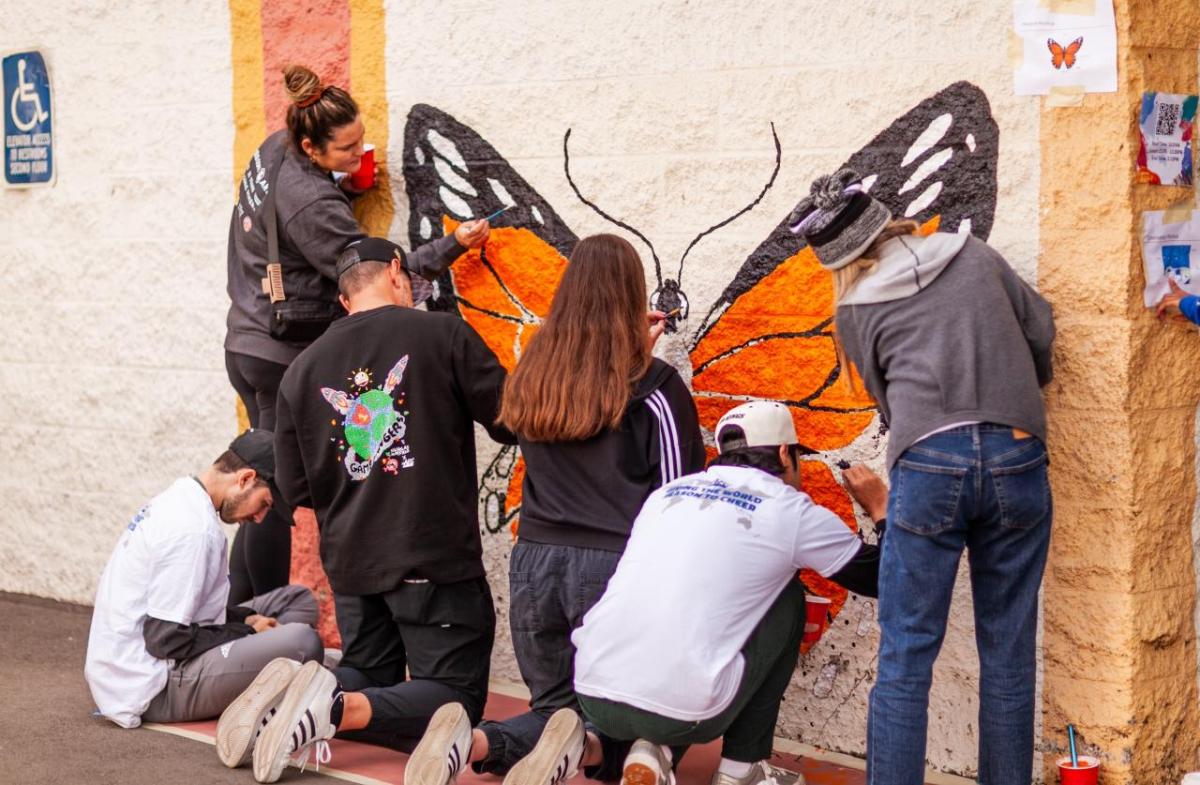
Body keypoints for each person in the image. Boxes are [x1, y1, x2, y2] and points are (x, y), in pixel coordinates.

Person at [405, 233, 706, 785]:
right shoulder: (655, 388)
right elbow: (679, 498)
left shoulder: (531, 375)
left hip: (535, 568)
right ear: (632, 294)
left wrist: (634, 352)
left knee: (555, 712)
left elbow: (587, 388)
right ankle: (587, 753)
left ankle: (473, 742)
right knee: (629, 724)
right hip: (615, 569)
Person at [791, 169, 1055, 785]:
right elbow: (1041, 333)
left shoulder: (854, 307)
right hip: (1019, 453)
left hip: (930, 465)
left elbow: (890, 409)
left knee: (906, 655)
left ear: (842, 261)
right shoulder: (977, 255)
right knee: (1010, 655)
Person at [225, 237, 516, 783]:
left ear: (342, 300)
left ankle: (299, 695)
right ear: (399, 271)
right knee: (454, 703)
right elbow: (512, 417)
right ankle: (332, 708)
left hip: (352, 561)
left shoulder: (302, 369)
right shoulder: (442, 333)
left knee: (373, 677)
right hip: (432, 558)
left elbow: (298, 488)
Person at [223, 64, 490, 606]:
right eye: (347, 150)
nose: (359, 154)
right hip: (280, 354)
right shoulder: (313, 204)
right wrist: (451, 245)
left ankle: (238, 612)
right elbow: (369, 271)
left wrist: (347, 177)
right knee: (269, 495)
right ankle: (261, 616)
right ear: (310, 145)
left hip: (247, 338)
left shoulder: (276, 148)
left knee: (260, 482)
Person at [509, 400, 884, 785]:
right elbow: (884, 578)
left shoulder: (667, 494)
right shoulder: (788, 509)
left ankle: (597, 747)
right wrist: (880, 507)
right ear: (786, 453)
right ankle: (742, 771)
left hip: (593, 693)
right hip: (683, 711)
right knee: (786, 599)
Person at [84, 430, 323, 737]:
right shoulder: (192, 531)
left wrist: (246, 619)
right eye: (264, 503)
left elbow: (183, 617)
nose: (261, 518)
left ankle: (273, 684)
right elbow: (165, 641)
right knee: (303, 642)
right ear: (246, 479)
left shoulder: (181, 497)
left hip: (149, 658)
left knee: (298, 599)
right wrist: (248, 631)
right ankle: (275, 692)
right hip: (154, 686)